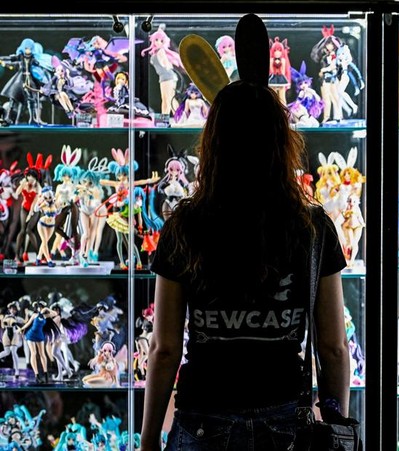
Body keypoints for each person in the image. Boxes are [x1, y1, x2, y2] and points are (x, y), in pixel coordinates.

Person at [140, 38, 350, 451]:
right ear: (280, 143)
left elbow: (165, 349)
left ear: (213, 143)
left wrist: (149, 439)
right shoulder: (312, 226)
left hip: (203, 418)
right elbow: (333, 347)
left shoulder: (185, 224)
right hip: (286, 421)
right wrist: (336, 426)